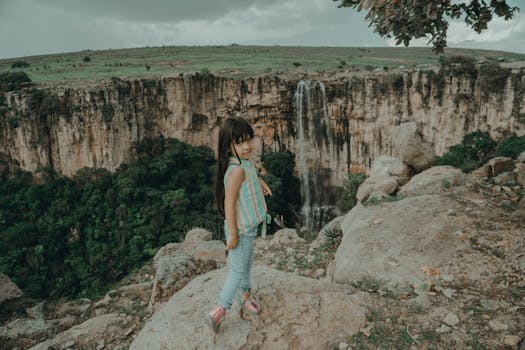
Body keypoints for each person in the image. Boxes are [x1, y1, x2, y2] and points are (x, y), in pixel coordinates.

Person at [207, 117, 272, 333]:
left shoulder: (244, 164)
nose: (247, 146)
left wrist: (260, 182)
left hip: (246, 229)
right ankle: (219, 310)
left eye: (248, 140)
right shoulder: (236, 171)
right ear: (228, 146)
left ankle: (245, 296)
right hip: (241, 230)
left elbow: (250, 174)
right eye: (239, 142)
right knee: (237, 270)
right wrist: (233, 234)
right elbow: (229, 202)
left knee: (246, 265)